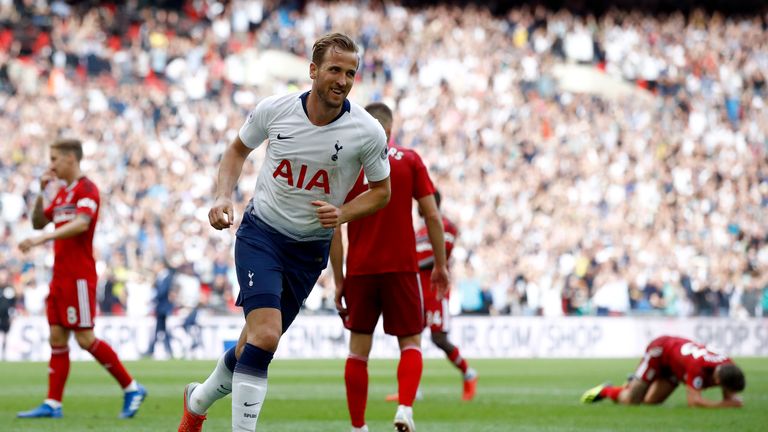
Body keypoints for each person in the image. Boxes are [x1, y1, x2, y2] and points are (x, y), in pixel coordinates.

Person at [177, 33, 391, 432]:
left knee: (253, 344)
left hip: (309, 251)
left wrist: (343, 212)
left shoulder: (367, 131)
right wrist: (224, 195)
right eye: (334, 70)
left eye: (350, 73)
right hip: (262, 235)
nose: (342, 80)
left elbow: (382, 193)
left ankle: (197, 400)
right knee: (267, 335)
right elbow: (237, 150)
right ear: (312, 71)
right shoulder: (274, 110)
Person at [332, 102, 450, 432]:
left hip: (360, 270)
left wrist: (338, 279)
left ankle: (358, 427)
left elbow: (334, 228)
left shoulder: (345, 162)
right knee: (411, 343)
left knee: (358, 351)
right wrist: (440, 264)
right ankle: (405, 409)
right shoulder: (409, 160)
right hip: (402, 267)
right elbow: (432, 216)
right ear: (390, 129)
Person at [16, 139, 147, 419]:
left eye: (54, 159)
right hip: (60, 276)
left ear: (70, 159)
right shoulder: (62, 193)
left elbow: (82, 223)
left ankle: (132, 388)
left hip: (79, 277)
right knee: (57, 336)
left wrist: (43, 239)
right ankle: (53, 403)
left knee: (85, 338)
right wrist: (42, 193)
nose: (50, 165)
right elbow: (39, 220)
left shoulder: (86, 189)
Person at [386, 190, 477, 403]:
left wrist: (410, 266)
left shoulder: (447, 226)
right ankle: (411, 391)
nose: (416, 206)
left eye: (419, 201)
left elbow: (440, 258)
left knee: (439, 339)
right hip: (416, 290)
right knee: (411, 337)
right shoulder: (419, 231)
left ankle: (469, 373)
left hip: (436, 291)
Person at [581, 335, 746, 408]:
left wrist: (730, 401)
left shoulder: (727, 366)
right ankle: (606, 390)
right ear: (718, 381)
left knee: (650, 403)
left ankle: (634, 382)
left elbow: (731, 395)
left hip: (675, 368)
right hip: (659, 352)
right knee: (632, 400)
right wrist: (723, 405)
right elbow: (694, 402)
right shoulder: (699, 368)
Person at [143, 259, 177, 359]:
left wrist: (152, 298)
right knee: (160, 330)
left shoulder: (167, 276)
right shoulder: (160, 276)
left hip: (164, 308)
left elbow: (163, 291)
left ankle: (153, 350)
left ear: (161, 265)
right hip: (161, 308)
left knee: (161, 330)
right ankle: (163, 350)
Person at [0, 267, 16, 361]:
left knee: (6, 335)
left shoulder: (10, 289)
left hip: (6, 317)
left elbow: (13, 304)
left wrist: (12, 315)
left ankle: (4, 354)